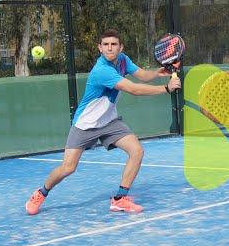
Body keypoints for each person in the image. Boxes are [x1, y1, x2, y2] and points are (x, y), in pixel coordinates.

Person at [25, 28, 181, 216]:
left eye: (113, 44)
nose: (109, 48)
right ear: (100, 48)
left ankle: (120, 199)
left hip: (109, 122)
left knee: (137, 150)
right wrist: (166, 89)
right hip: (85, 124)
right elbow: (133, 89)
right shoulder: (102, 71)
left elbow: (141, 75)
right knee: (68, 168)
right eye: (105, 45)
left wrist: (157, 72)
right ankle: (41, 193)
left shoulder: (123, 60)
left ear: (120, 47)